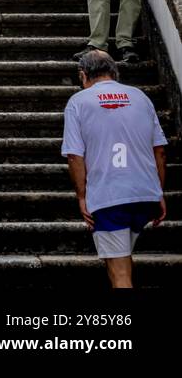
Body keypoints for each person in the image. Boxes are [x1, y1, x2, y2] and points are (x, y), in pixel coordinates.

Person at [62, 48, 166, 289]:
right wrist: (158, 191)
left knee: (118, 273)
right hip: (144, 194)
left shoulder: (78, 102)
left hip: (109, 197)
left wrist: (82, 196)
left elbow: (74, 156)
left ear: (83, 75)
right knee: (123, 255)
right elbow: (159, 150)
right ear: (114, 72)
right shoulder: (141, 97)